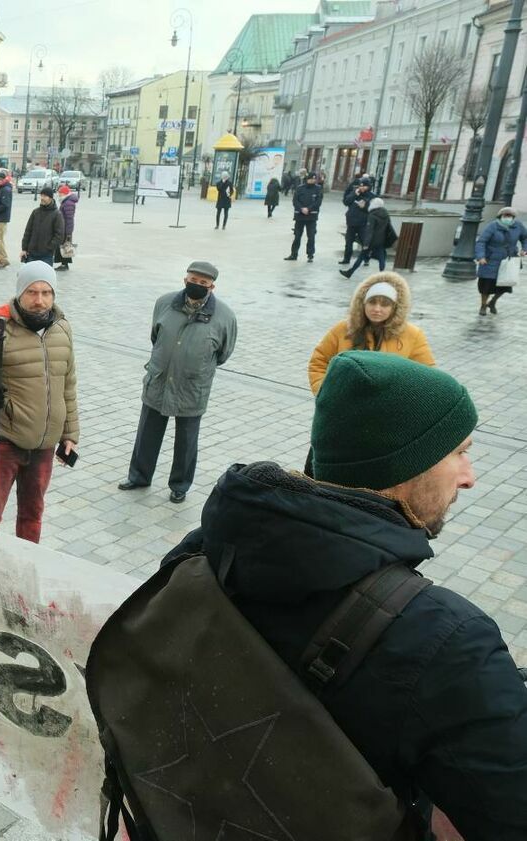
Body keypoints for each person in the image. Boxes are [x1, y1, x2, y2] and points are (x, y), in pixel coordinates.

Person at [161, 352, 527, 840]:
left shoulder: (205, 550)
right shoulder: (448, 643)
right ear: (405, 464)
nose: (470, 476)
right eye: (459, 452)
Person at [0, 261, 78, 544]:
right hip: (4, 442)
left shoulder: (62, 329)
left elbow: (68, 385)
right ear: (20, 293)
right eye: (32, 292)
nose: (39, 300)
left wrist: (70, 434)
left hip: (44, 446)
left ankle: (27, 569)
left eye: (46, 292)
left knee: (32, 516)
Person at [119, 261, 237, 503]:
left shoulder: (225, 316)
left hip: (193, 386)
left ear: (212, 287)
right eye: (193, 280)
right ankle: (139, 476)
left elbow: (224, 353)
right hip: (160, 378)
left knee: (187, 439)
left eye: (203, 283)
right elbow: (156, 336)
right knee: (147, 432)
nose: (197, 285)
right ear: (185, 280)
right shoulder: (164, 303)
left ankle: (180, 485)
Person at [308, 272, 435, 394]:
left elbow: (428, 376)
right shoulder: (343, 329)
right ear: (363, 303)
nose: (377, 309)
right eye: (372, 302)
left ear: (395, 307)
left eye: (385, 304)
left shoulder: (412, 335)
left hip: (388, 412)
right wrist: (326, 394)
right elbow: (319, 362)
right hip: (345, 408)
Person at [474, 206, 525, 316]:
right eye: (505, 215)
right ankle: (483, 305)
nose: (508, 217)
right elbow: (481, 242)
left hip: (508, 259)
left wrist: (524, 249)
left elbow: (525, 238)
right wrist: (481, 257)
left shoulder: (518, 226)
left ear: (513, 217)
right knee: (486, 286)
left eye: (510, 216)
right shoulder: (493, 226)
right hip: (491, 259)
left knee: (505, 284)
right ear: (500, 216)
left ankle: (492, 302)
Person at [341, 197, 394, 278]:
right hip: (382, 240)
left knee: (361, 256)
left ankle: (350, 272)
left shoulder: (372, 215)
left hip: (372, 241)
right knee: (381, 257)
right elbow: (389, 227)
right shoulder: (385, 214)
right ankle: (382, 273)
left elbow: (370, 231)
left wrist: (366, 243)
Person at [20, 186, 64, 266]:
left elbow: (59, 235)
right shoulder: (35, 212)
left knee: (44, 277)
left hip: (46, 255)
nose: (42, 198)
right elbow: (28, 231)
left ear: (50, 198)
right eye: (41, 195)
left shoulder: (57, 214)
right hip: (32, 253)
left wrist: (48, 247)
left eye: (45, 196)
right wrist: (24, 248)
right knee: (31, 277)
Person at [285, 171, 322, 262]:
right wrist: (301, 208)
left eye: (314, 179)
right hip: (300, 216)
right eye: (311, 179)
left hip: (311, 217)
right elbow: (295, 201)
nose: (313, 180)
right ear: (308, 179)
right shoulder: (300, 188)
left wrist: (308, 209)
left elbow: (318, 202)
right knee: (297, 236)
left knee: (311, 236)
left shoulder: (318, 189)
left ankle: (310, 255)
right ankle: (294, 254)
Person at [340, 177, 375, 265]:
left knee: (364, 242)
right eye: (360, 186)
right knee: (348, 242)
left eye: (364, 186)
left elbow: (374, 210)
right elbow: (346, 202)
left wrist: (365, 207)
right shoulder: (355, 193)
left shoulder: (372, 196)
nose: (362, 188)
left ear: (368, 187)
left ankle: (366, 259)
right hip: (351, 222)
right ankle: (346, 259)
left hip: (363, 223)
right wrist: (354, 195)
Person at [55, 184, 77, 271]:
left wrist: (68, 232)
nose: (59, 195)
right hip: (64, 227)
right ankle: (64, 264)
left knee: (65, 245)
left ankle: (64, 264)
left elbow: (69, 219)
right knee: (64, 246)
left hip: (66, 229)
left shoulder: (68, 203)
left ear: (64, 193)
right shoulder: (66, 201)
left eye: (60, 193)